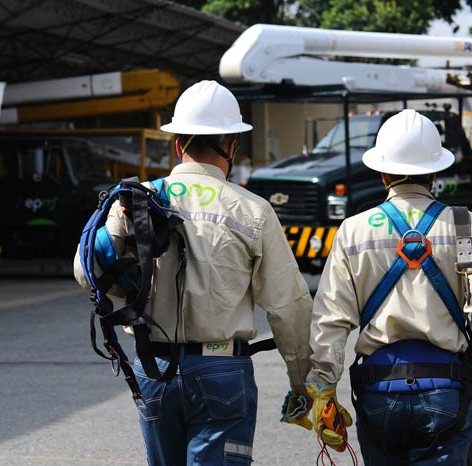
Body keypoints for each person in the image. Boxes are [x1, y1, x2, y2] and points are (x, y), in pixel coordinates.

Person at [73, 80, 313, 466]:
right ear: (233, 145)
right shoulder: (252, 210)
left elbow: (87, 271)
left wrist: (129, 291)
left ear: (177, 144)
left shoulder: (135, 200)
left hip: (154, 367)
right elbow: (288, 306)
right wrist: (302, 380)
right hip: (221, 371)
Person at [302, 109, 472, 465]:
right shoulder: (466, 226)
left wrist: (323, 386)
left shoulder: (354, 230)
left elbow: (331, 320)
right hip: (446, 389)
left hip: (378, 392)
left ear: (382, 172)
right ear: (435, 171)